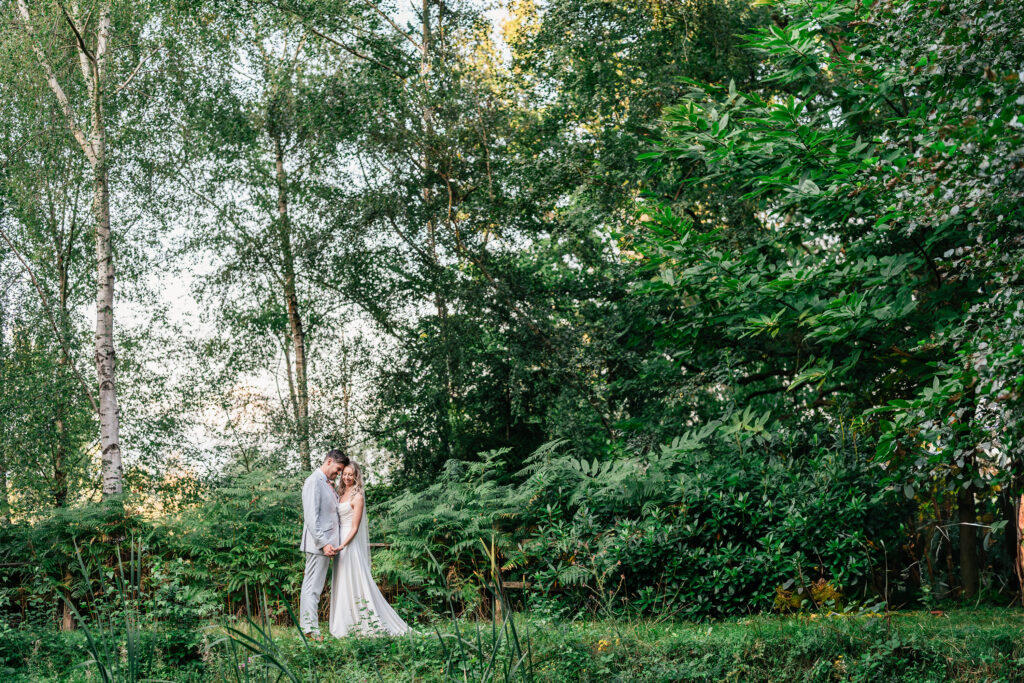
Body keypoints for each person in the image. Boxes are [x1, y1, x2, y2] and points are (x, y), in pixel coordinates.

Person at [329, 461, 410, 637]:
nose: (347, 477)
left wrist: (343, 545)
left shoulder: (358, 497)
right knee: (341, 580)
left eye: (351, 474)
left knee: (353, 579)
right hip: (338, 541)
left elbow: (355, 527)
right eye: (345, 474)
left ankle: (362, 621)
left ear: (356, 476)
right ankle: (344, 621)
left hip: (348, 544)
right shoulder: (340, 493)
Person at [299, 449, 349, 639]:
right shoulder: (313, 482)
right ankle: (310, 630)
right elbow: (311, 518)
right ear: (329, 461)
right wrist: (323, 543)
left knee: (316, 587)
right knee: (311, 587)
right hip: (319, 545)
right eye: (337, 469)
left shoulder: (327, 484)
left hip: (327, 546)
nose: (338, 474)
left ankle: (310, 628)